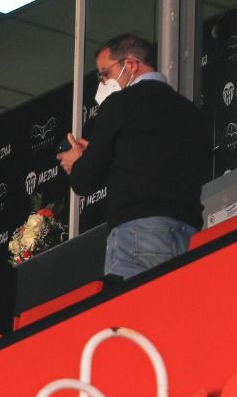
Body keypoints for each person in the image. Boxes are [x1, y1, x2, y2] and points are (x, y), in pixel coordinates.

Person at [59, 34, 208, 280]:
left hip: (138, 233)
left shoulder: (119, 105)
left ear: (131, 65)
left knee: (134, 314)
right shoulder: (189, 110)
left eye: (105, 74)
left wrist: (78, 162)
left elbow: (85, 180)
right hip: (189, 233)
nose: (102, 82)